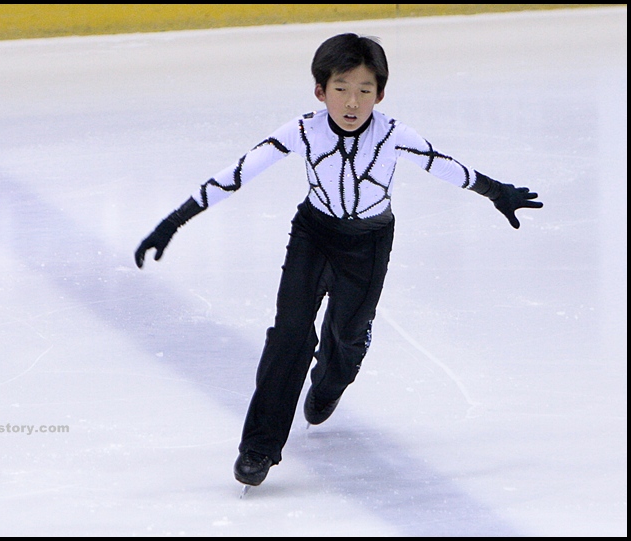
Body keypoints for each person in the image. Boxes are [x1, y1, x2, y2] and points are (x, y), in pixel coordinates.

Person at [134, 33, 542, 487]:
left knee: (347, 339)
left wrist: (496, 192)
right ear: (320, 91)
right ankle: (259, 447)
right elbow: (236, 174)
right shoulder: (304, 129)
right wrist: (174, 221)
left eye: (365, 90)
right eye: (341, 88)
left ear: (380, 94)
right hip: (313, 235)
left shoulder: (392, 135)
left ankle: (330, 380)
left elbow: (443, 163)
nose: (352, 102)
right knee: (289, 335)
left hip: (367, 244)